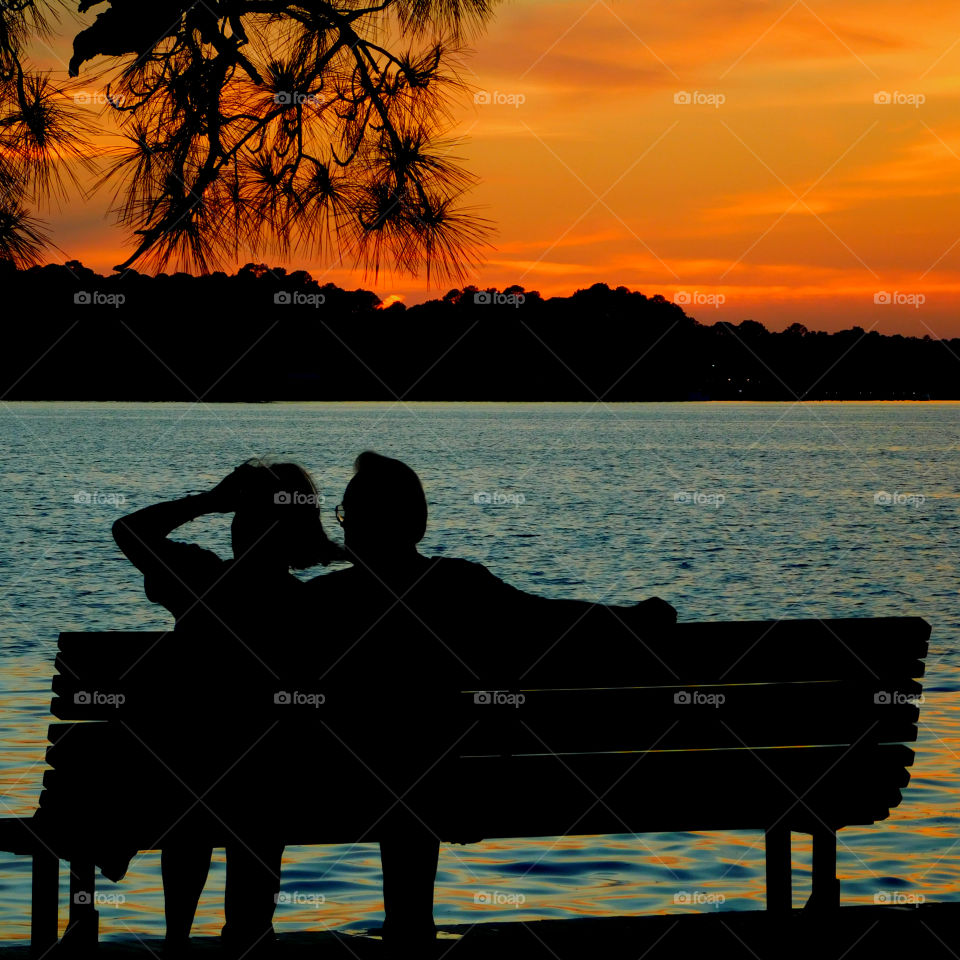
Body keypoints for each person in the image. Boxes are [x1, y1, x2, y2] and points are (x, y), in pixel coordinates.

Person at [306, 451, 676, 956]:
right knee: (417, 759)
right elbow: (551, 621)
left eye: (346, 515)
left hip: (331, 787)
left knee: (396, 760)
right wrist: (633, 621)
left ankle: (403, 933)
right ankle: (410, 933)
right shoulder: (457, 585)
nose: (343, 526)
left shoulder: (322, 601)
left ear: (359, 525)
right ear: (416, 522)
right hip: (458, 785)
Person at [111, 459, 343, 957]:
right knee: (261, 785)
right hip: (283, 783)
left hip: (193, 776)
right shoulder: (312, 605)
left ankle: (177, 941)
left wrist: (208, 501)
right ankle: (250, 932)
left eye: (242, 514)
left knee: (197, 783)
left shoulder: (200, 580)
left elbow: (130, 529)